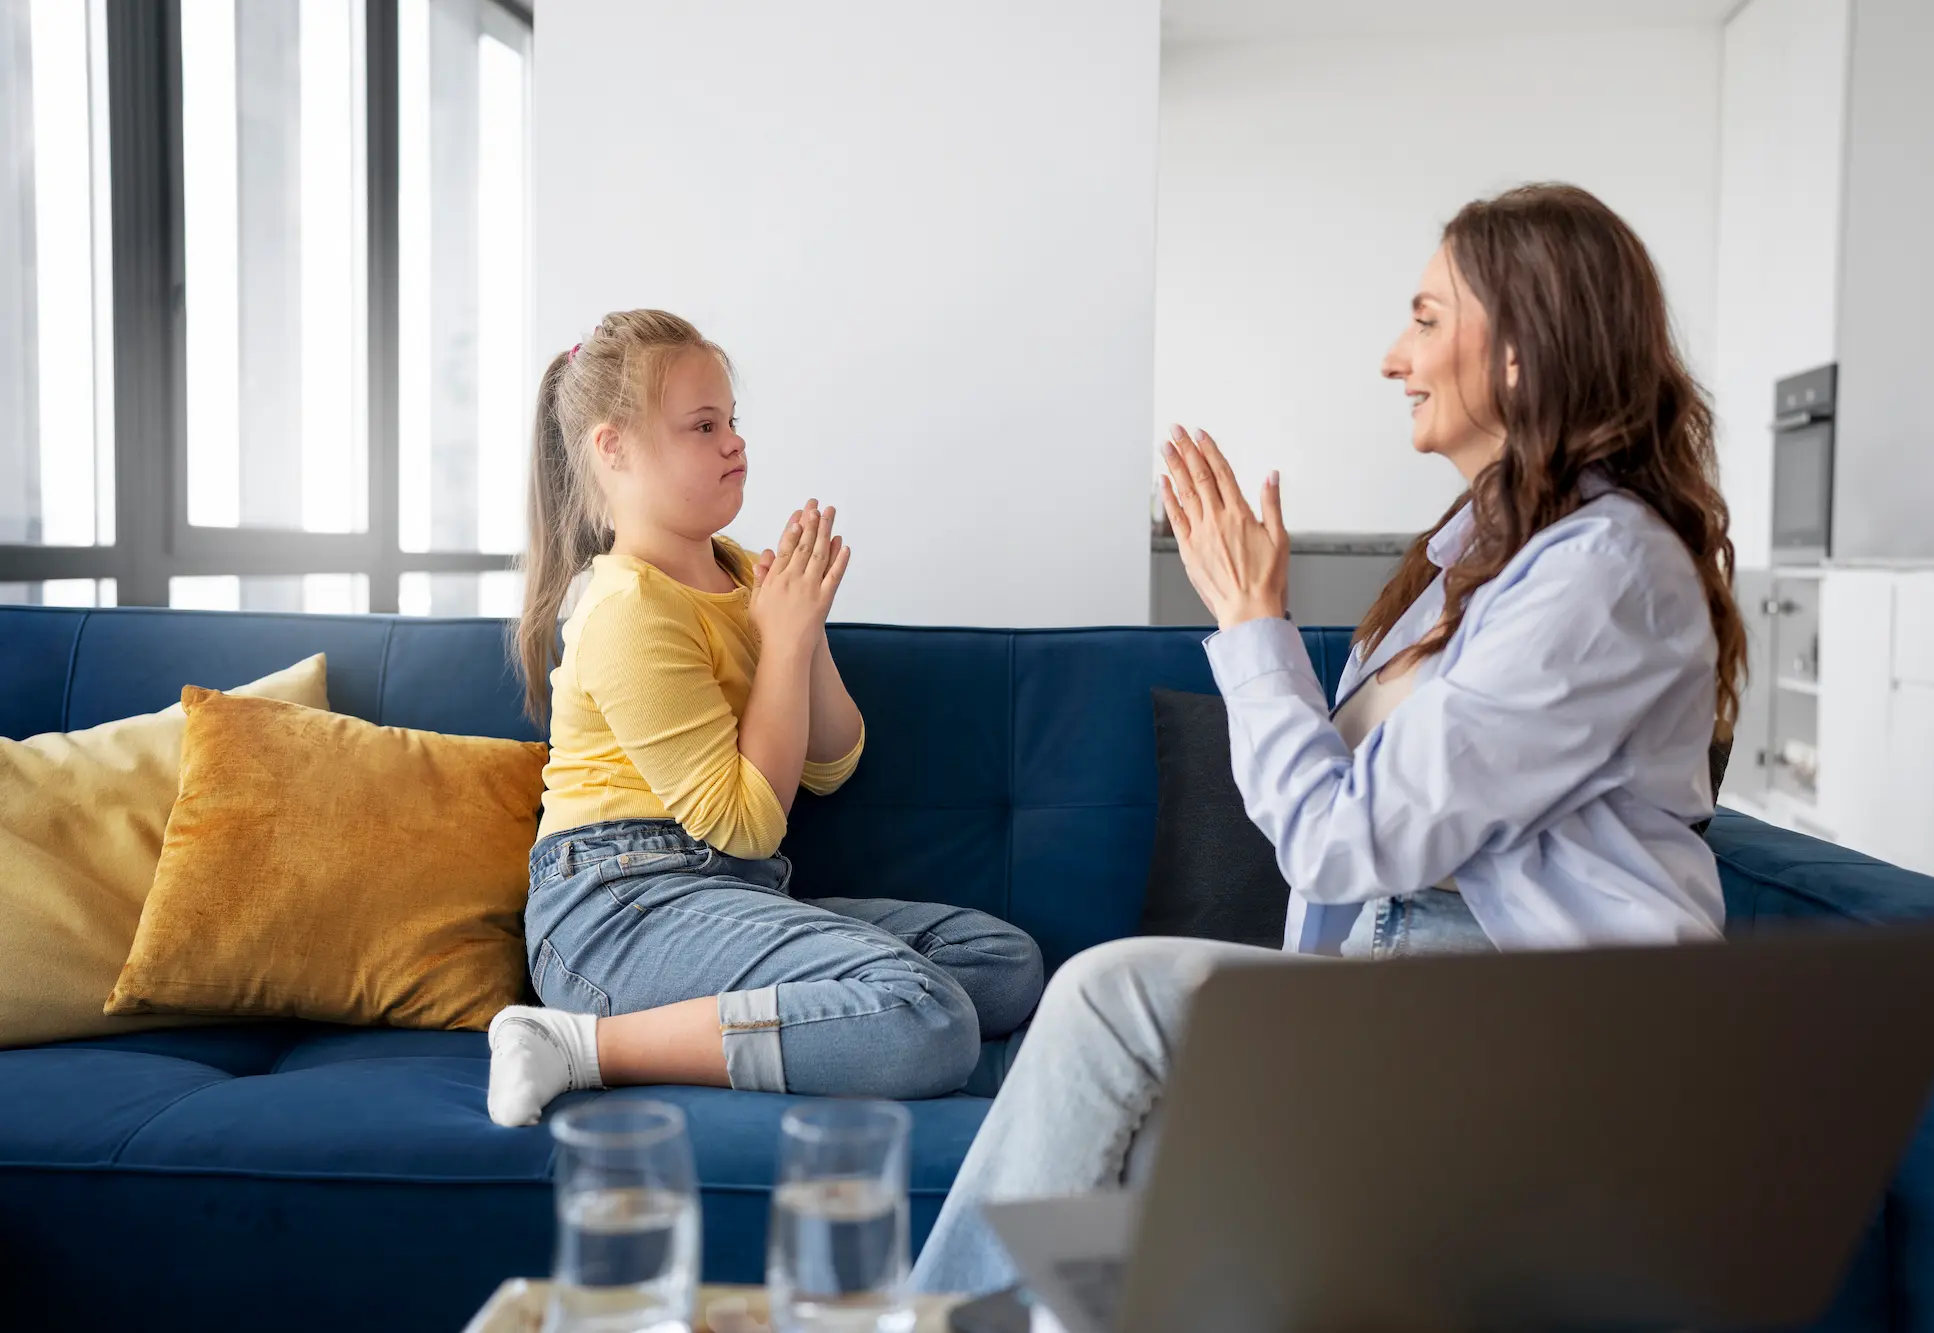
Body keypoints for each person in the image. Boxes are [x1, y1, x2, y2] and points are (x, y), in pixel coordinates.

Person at [909, 183, 1748, 1294]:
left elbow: (1338, 842)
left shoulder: (1600, 571)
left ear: (1518, 350)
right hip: (1406, 986)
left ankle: (928, 1324)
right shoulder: (1476, 550)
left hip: (1532, 1027)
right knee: (1168, 1151)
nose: (1395, 357)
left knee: (1108, 996)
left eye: (1425, 316)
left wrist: (1253, 622)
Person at [485, 310, 1043, 1128]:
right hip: (613, 910)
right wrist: (780, 646)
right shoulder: (625, 610)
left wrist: (801, 634)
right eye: (702, 426)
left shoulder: (744, 571)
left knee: (1001, 964)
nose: (733, 444)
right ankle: (576, 1044)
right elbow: (746, 822)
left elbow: (831, 761)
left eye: (732, 422)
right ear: (615, 448)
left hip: (730, 888)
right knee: (932, 1017)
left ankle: (850, 1029)